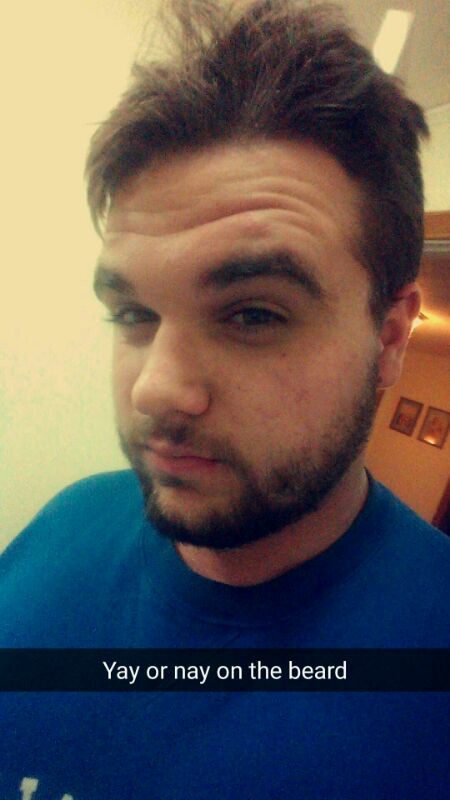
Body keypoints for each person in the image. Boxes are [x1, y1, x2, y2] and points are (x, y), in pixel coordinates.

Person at [1, 1, 449, 798]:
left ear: (388, 339)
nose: (155, 388)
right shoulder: (63, 527)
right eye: (133, 313)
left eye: (253, 315)